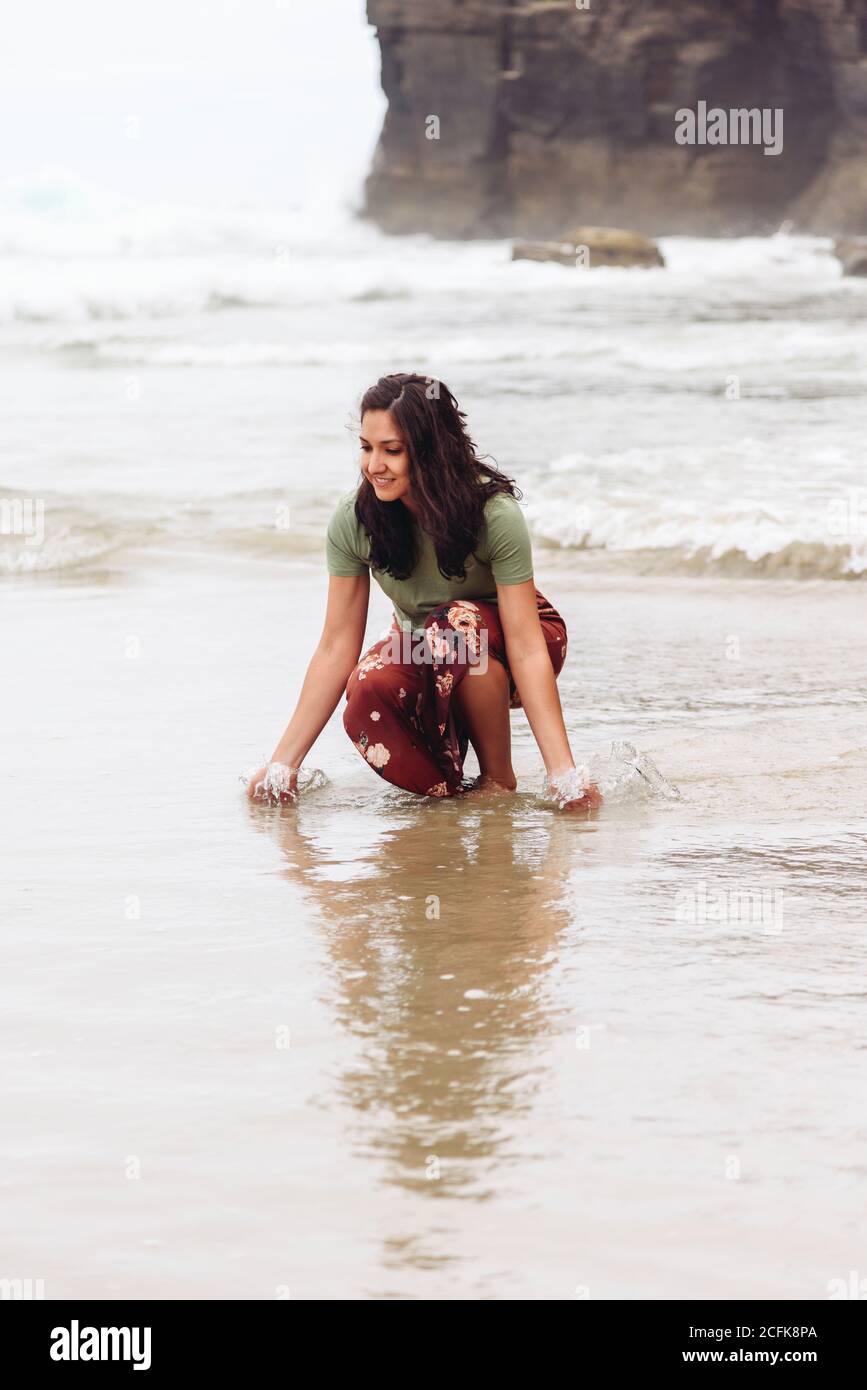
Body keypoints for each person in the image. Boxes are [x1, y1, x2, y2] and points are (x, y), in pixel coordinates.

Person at [247, 373, 601, 813]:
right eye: (366, 447)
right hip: (427, 650)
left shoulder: (493, 514)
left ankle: (496, 778)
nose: (374, 465)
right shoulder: (354, 520)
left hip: (521, 641)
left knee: (455, 627)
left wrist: (563, 775)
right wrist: (284, 764)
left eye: (392, 450)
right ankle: (447, 794)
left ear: (432, 450)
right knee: (367, 684)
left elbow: (528, 648)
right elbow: (337, 645)